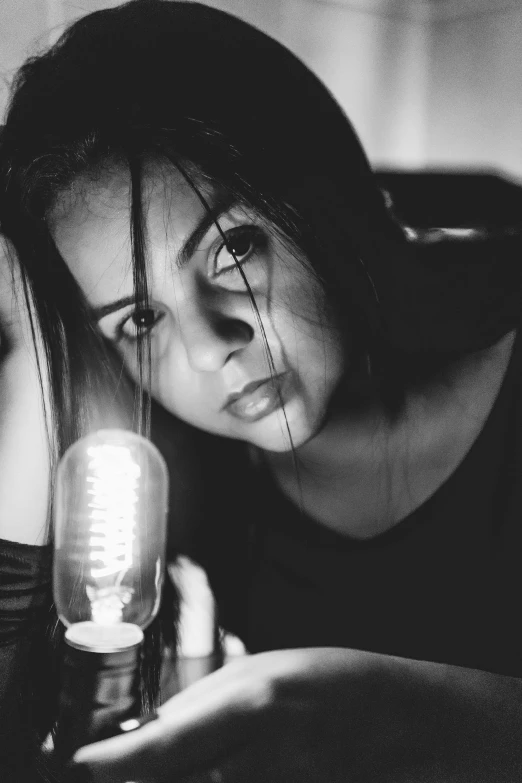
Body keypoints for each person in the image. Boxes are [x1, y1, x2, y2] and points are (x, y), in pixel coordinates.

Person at [1, 0, 522, 780]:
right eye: (140, 317)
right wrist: (30, 330)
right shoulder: (179, 509)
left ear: (325, 198)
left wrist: (421, 720)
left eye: (234, 247)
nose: (212, 349)